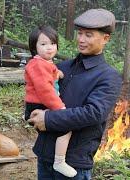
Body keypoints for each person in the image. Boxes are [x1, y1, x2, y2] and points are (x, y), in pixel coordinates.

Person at [27, 9, 122, 179]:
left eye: (88, 35)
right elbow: (39, 96)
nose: (81, 39)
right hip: (45, 157)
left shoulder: (108, 76)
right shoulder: (62, 68)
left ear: (106, 38)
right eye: (80, 33)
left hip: (74, 164)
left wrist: (48, 119)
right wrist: (32, 112)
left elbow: (93, 113)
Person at [24, 25, 77, 177]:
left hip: (41, 102)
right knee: (65, 128)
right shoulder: (37, 65)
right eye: (43, 44)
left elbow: (50, 73)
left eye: (53, 44)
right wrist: (59, 107)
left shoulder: (45, 63)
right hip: (40, 103)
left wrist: (57, 73)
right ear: (34, 47)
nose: (49, 48)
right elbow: (44, 89)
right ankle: (59, 161)